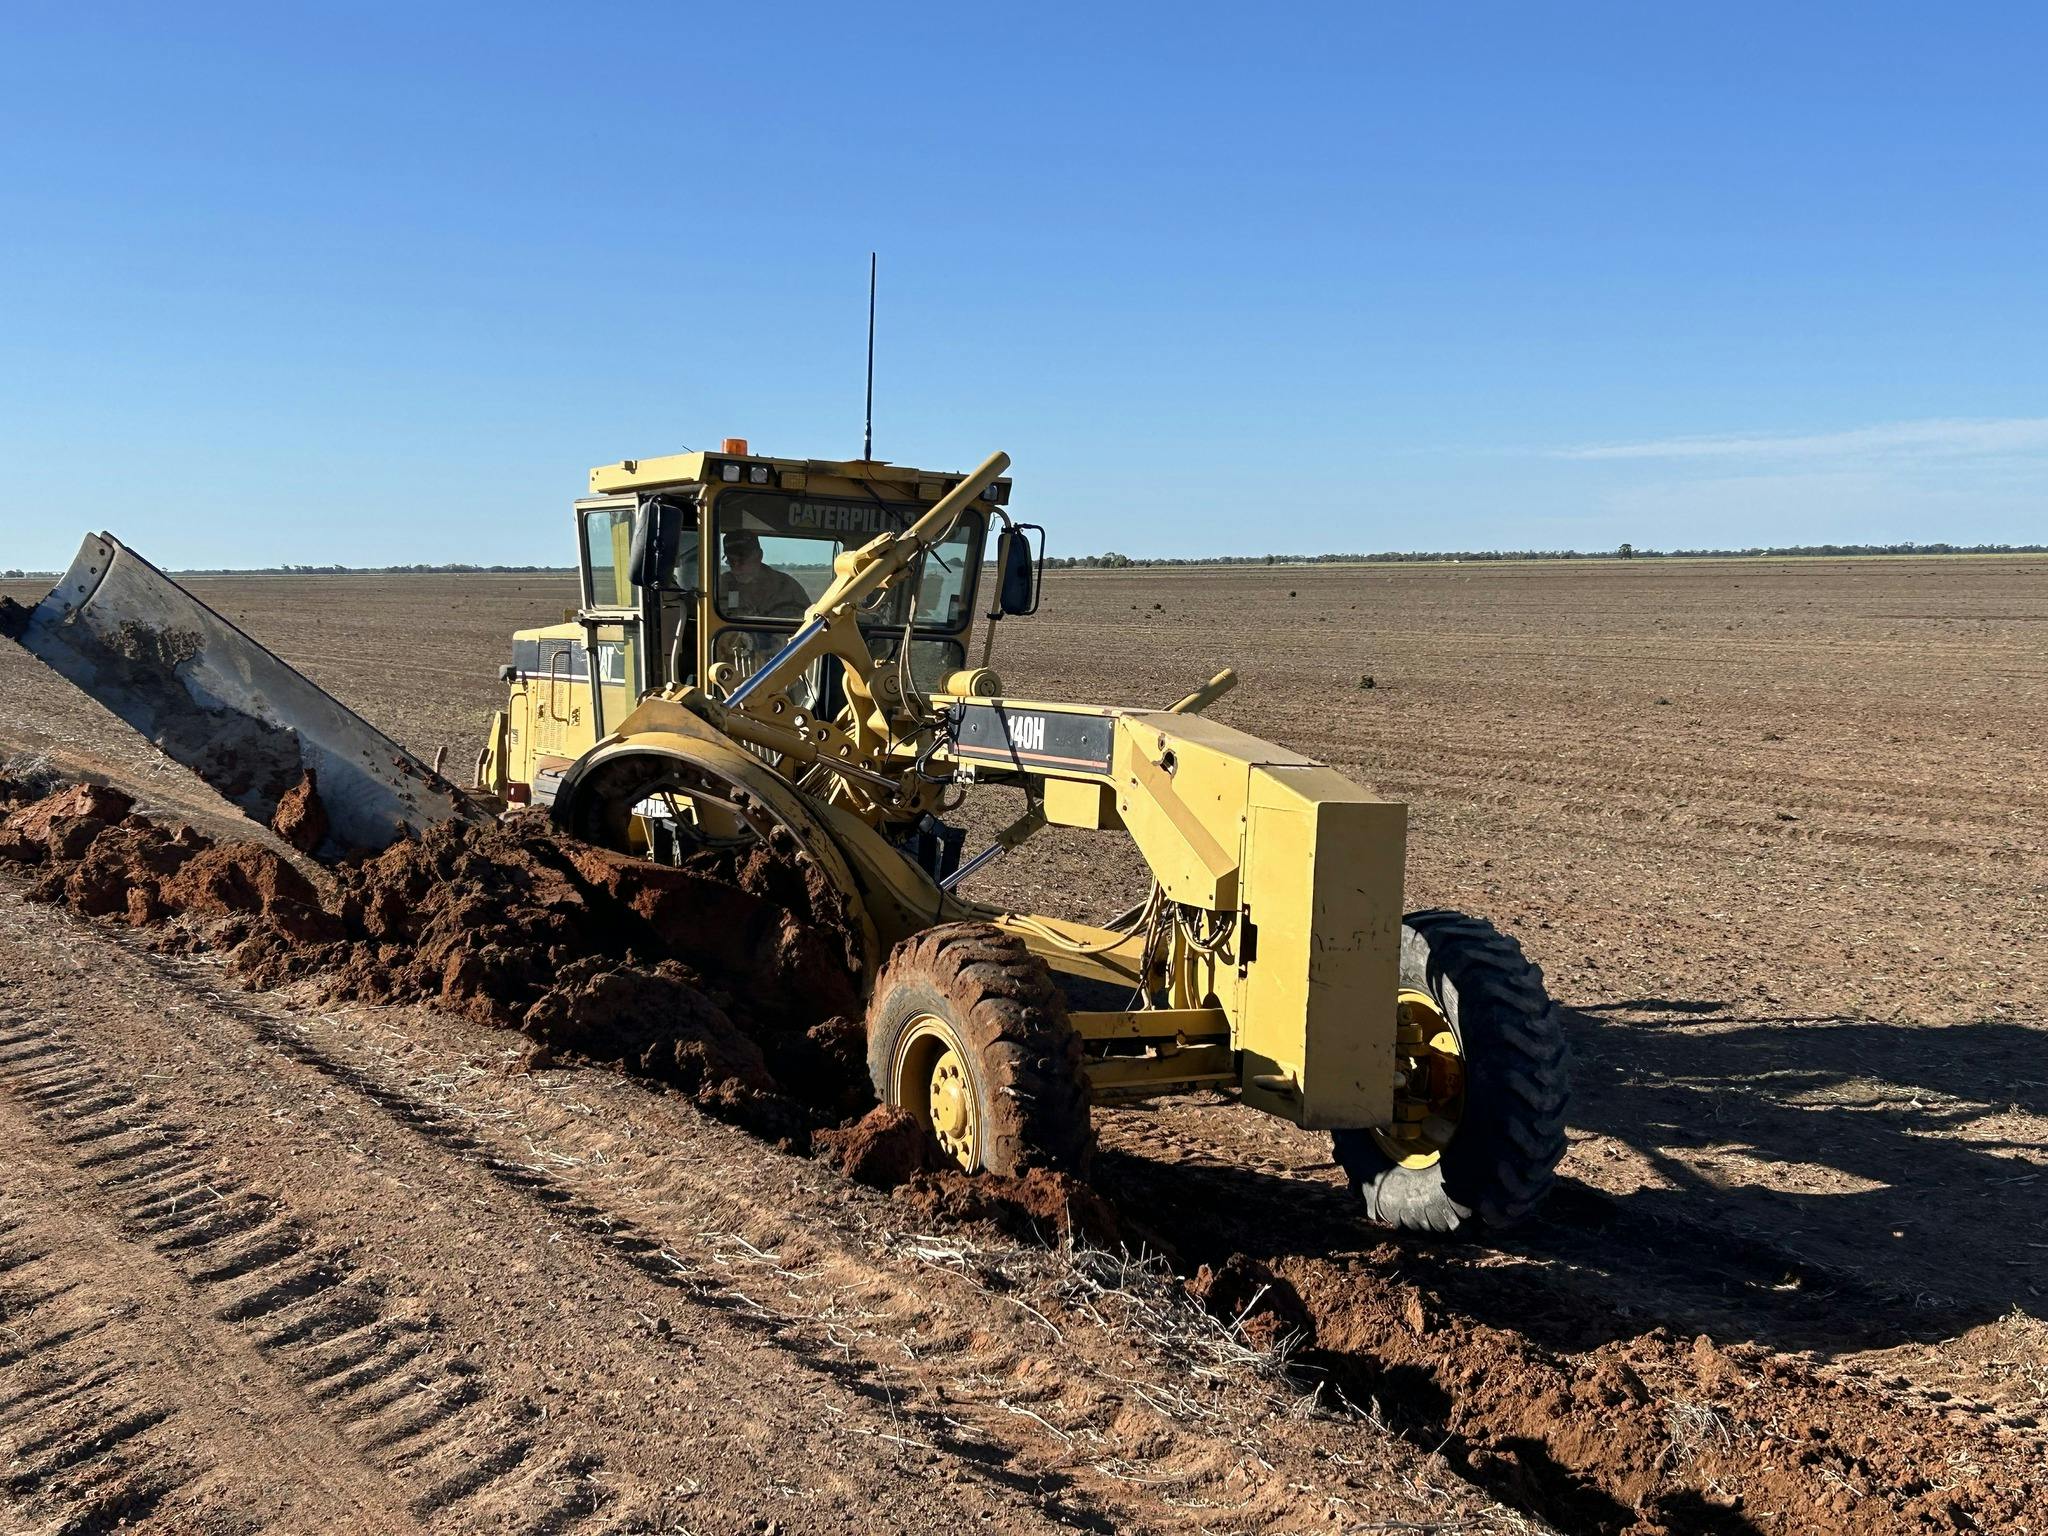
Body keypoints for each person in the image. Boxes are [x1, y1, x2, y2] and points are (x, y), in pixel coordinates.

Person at [721, 530, 810, 620]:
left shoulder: (788, 587)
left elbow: (808, 624)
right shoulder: (721, 587)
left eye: (742, 560)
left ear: (759, 556)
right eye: (731, 561)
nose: (737, 569)